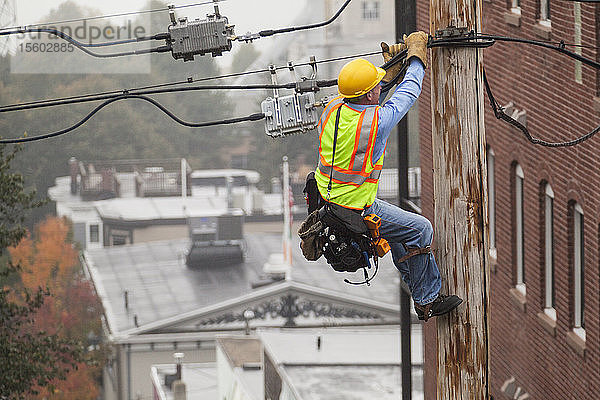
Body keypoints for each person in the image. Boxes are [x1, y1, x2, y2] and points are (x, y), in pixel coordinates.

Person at [314, 31, 462, 322]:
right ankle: (428, 299)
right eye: (376, 88)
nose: (378, 91)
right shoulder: (375, 123)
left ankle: (416, 283)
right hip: (356, 209)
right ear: (370, 93)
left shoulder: (333, 106)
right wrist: (416, 57)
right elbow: (409, 92)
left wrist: (389, 70)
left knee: (398, 232)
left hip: (329, 201)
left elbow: (365, 93)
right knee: (420, 230)